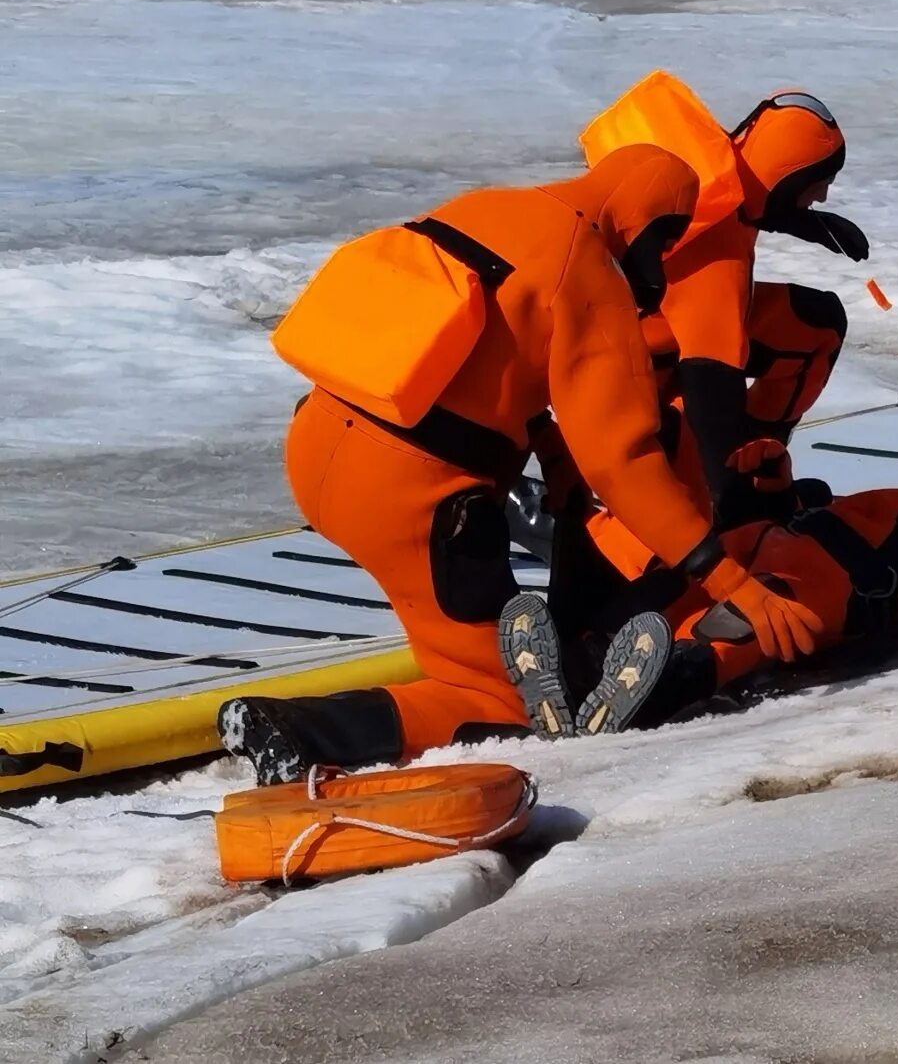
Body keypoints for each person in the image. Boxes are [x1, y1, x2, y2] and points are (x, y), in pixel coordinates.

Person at [219, 142, 825, 785]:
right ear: (645, 216)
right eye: (667, 240)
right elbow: (625, 462)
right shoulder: (588, 270)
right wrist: (731, 583)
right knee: (505, 700)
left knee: (470, 643)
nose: (662, 265)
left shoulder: (492, 208)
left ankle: (529, 645)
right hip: (414, 501)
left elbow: (483, 345)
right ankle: (297, 730)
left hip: (319, 449)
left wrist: (551, 451)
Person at [501, 449, 898, 737]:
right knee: (671, 583)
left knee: (746, 622)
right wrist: (777, 488)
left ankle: (661, 683)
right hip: (770, 538)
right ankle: (580, 665)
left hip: (836, 585)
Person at [569, 71, 865, 530]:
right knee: (706, 419)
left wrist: (803, 222)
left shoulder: (712, 176)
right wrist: (738, 502)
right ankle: (713, 489)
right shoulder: (718, 265)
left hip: (636, 332)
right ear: (786, 181)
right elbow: (712, 382)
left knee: (815, 323)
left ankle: (765, 459)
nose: (823, 193)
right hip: (632, 368)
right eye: (818, 181)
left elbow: (746, 198)